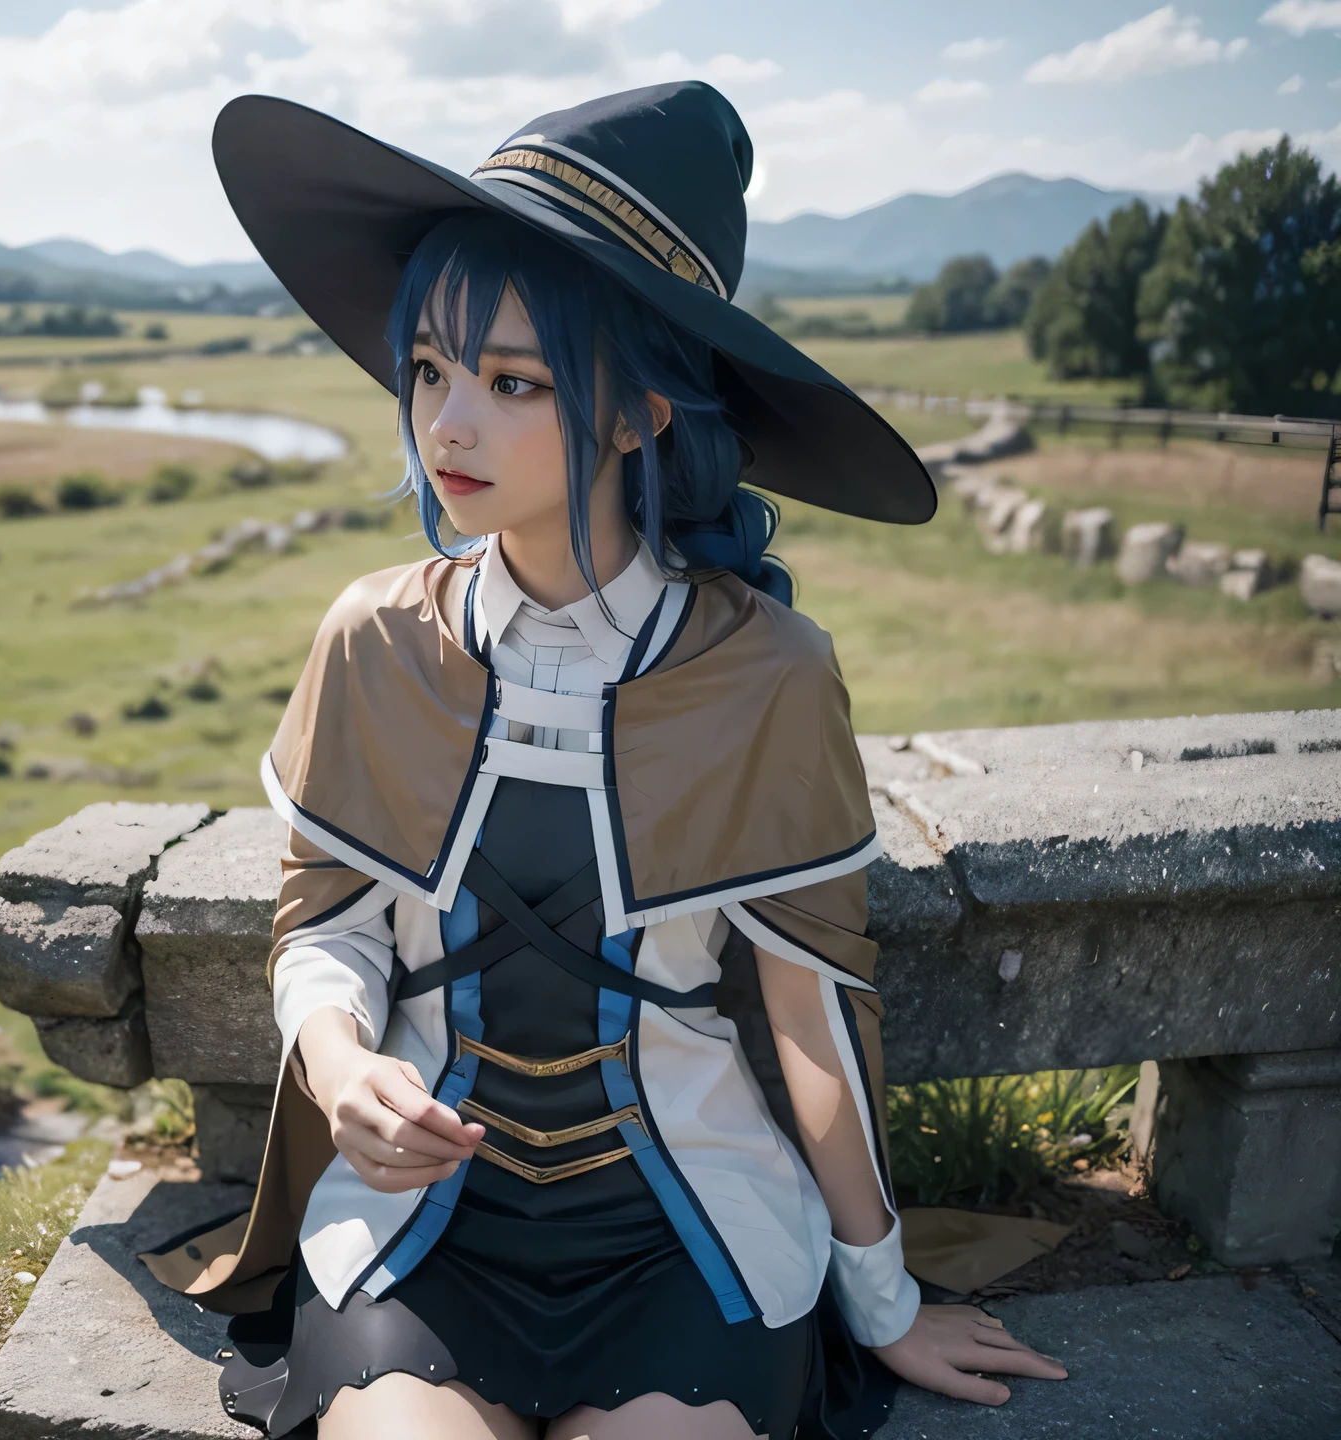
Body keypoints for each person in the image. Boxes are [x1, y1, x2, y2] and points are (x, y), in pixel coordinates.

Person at [141, 82, 1068, 1440]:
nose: (447, 425)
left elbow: (815, 1025)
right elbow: (323, 928)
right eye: (430, 369)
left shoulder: (767, 674)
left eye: (512, 381)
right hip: (416, 1234)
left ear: (639, 413)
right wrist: (340, 1069)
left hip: (687, 1234)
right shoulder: (372, 637)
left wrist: (884, 1305)